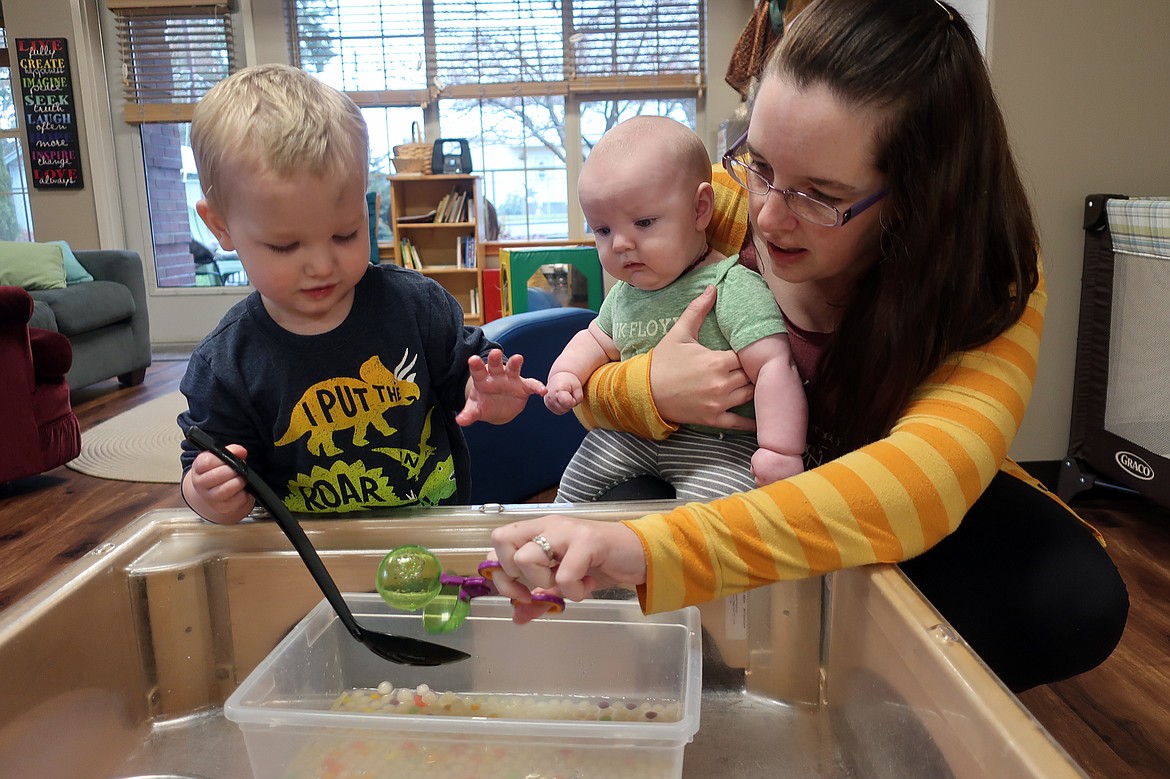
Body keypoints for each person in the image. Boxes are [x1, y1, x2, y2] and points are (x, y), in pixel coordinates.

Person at [486, 0, 1129, 693]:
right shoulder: (714, 208)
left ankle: (872, 687)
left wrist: (659, 548)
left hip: (866, 487)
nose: (767, 214)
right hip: (727, 470)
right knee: (630, 497)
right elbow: (592, 394)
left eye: (820, 195)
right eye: (758, 164)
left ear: (919, 197)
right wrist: (648, 390)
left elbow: (925, 481)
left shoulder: (987, 279)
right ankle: (703, 674)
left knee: (1071, 596)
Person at [178, 64, 543, 524]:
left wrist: (491, 395)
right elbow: (201, 466)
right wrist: (208, 493)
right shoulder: (226, 363)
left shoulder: (417, 305)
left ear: (366, 208)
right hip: (307, 560)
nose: (322, 265)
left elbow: (467, 378)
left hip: (434, 539)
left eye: (346, 234)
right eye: (286, 245)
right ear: (221, 227)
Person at [546, 116, 806, 501]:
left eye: (644, 222)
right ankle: (555, 549)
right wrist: (566, 372)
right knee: (576, 482)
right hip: (633, 435)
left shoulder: (727, 284)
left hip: (717, 445)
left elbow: (773, 364)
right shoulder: (625, 293)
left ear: (700, 208)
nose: (619, 244)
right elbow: (595, 339)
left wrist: (780, 449)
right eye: (602, 230)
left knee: (719, 513)